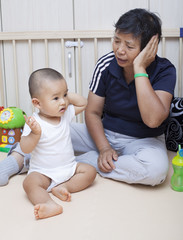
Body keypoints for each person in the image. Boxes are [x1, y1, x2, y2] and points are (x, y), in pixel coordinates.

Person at [0, 8, 176, 187]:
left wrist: (139, 69)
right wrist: (104, 148)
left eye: (129, 46)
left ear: (148, 48)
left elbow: (153, 120)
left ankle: (82, 163)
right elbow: (92, 112)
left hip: (144, 141)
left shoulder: (165, 70)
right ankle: (12, 163)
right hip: (103, 133)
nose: (120, 50)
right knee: (47, 131)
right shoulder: (106, 64)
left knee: (156, 171)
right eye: (116, 41)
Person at [18, 68, 96, 219]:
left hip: (69, 168)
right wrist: (35, 134)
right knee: (29, 183)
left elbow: (83, 103)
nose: (63, 102)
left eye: (65, 95)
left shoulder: (65, 113)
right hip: (43, 173)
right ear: (37, 103)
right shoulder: (35, 122)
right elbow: (24, 147)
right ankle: (49, 204)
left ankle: (64, 187)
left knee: (90, 171)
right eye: (55, 98)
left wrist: (62, 94)